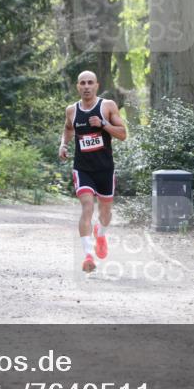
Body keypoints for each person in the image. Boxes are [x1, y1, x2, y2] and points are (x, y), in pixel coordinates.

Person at [59, 71, 127, 272]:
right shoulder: (71, 110)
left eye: (90, 83)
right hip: (83, 169)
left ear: (96, 85)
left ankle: (101, 232)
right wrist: (63, 144)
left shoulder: (107, 106)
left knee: (105, 212)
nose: (86, 86)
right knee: (87, 207)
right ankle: (88, 255)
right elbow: (68, 128)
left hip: (105, 169)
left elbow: (123, 134)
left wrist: (103, 124)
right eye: (82, 83)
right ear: (77, 86)